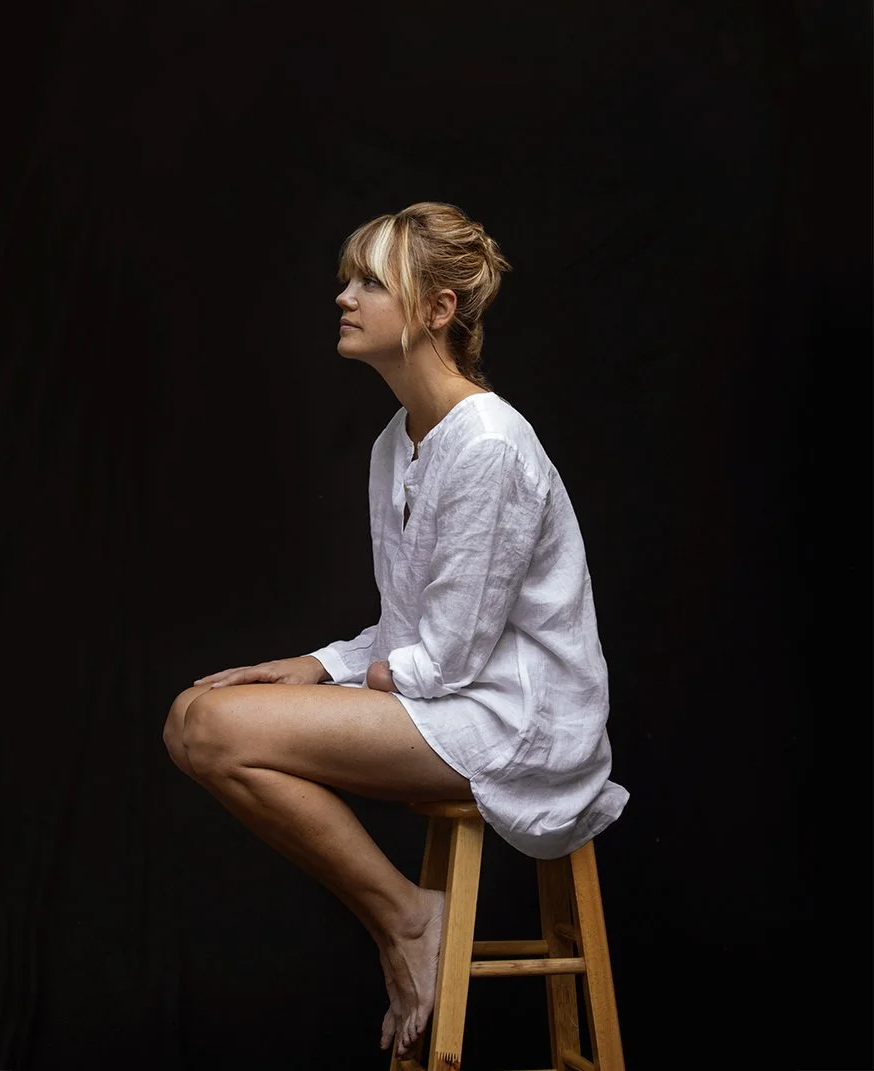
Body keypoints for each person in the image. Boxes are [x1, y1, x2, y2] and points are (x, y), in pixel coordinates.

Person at [161, 201, 628, 1059]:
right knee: (195, 714)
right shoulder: (398, 440)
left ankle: (408, 919)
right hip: (448, 697)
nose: (344, 296)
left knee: (217, 727)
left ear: (438, 309)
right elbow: (414, 627)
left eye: (370, 281)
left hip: (513, 721)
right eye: (349, 278)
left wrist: (364, 678)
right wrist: (313, 664)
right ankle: (405, 917)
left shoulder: (487, 443)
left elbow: (445, 656)